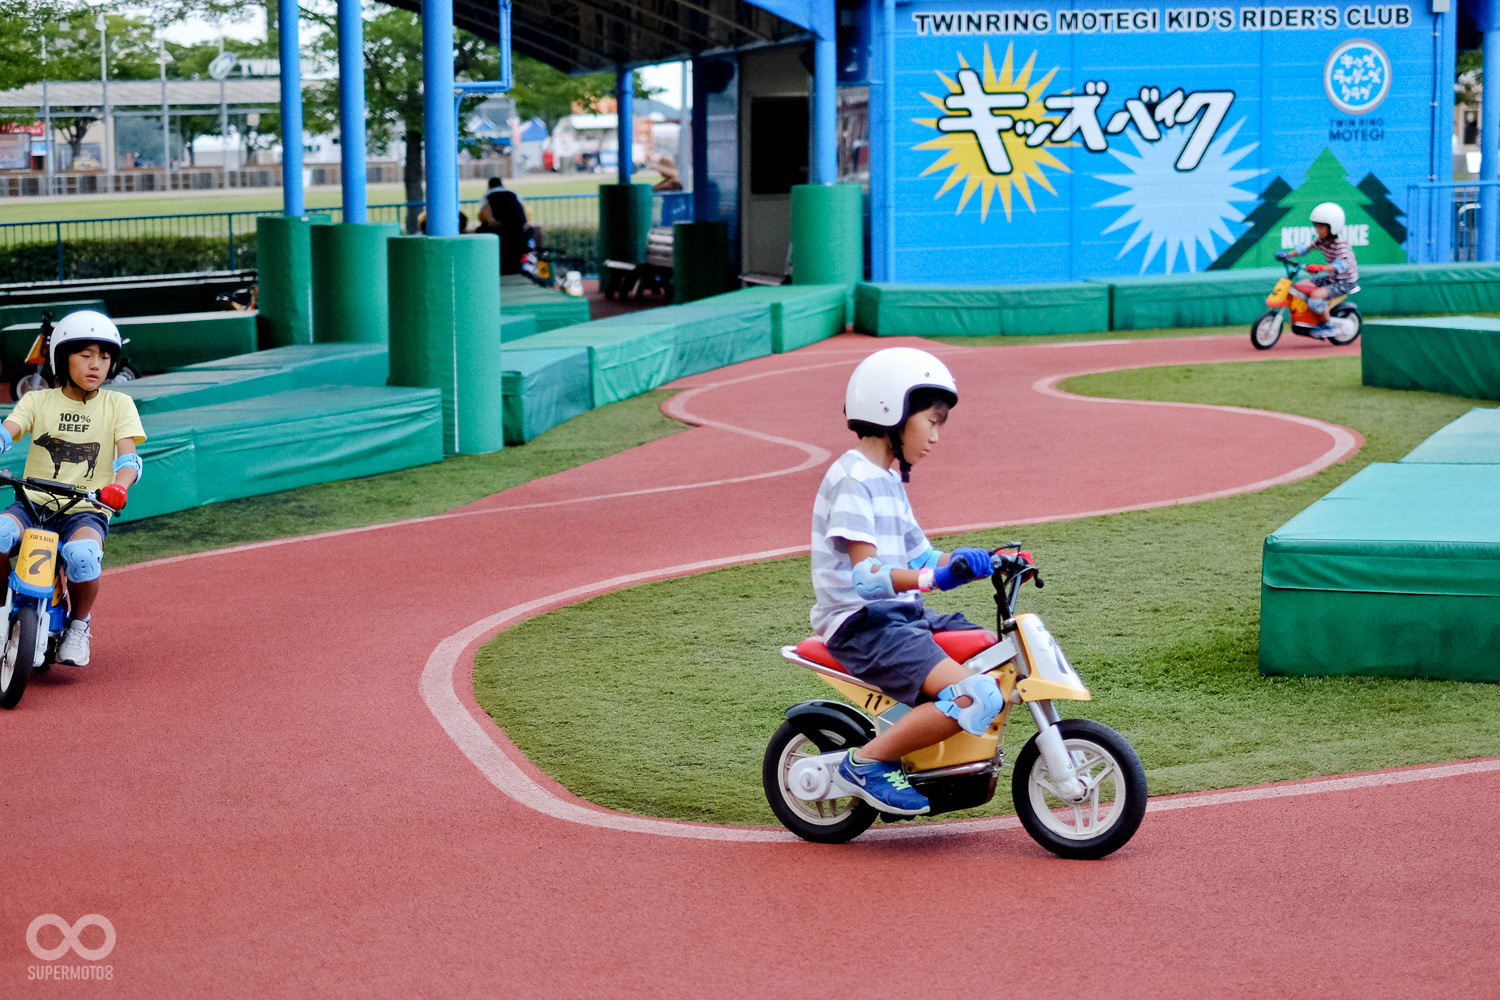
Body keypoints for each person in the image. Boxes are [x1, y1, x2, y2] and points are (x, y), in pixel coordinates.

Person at [811, 347, 1002, 816]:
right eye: (932, 421)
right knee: (975, 696)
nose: (936, 436)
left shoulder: (887, 480)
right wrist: (937, 576)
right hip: (864, 625)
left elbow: (923, 557)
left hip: (901, 616)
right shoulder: (852, 479)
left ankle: (938, 753)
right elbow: (868, 577)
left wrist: (980, 561)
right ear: (891, 410)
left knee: (989, 651)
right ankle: (866, 763)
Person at [0, 310, 143, 667]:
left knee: (83, 556)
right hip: (32, 504)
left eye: (105, 357)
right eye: (85, 355)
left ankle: (79, 624)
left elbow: (129, 459)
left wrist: (119, 486)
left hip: (85, 509)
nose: (96, 365)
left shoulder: (119, 404)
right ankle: (2, 605)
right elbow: (7, 432)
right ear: (63, 358)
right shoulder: (37, 400)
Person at [1277, 202, 1358, 337]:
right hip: (1332, 278)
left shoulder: (1340, 245)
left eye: (1321, 226)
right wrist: (1287, 255)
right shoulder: (1321, 240)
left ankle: (1327, 325)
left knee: (1316, 295)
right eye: (1316, 226)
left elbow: (1340, 266)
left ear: (1333, 227)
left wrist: (1319, 267)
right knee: (1301, 285)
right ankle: (1310, 318)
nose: (1317, 229)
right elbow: (1305, 249)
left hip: (1345, 282)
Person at [476, 177, 530, 274]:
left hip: (500, 224)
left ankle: (502, 269)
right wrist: (526, 222)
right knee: (516, 247)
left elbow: (486, 208)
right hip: (517, 223)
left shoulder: (488, 195)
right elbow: (522, 207)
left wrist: (492, 221)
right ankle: (516, 269)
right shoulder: (512, 193)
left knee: (502, 247)